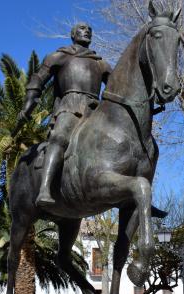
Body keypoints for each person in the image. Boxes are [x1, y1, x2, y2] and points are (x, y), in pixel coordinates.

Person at [15, 22, 113, 206]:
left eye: (89, 30)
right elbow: (37, 80)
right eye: (82, 29)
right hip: (71, 106)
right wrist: (27, 106)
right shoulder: (59, 56)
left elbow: (117, 87)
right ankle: (44, 188)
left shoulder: (101, 63)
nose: (87, 31)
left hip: (96, 111)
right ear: (73, 35)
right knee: (60, 136)